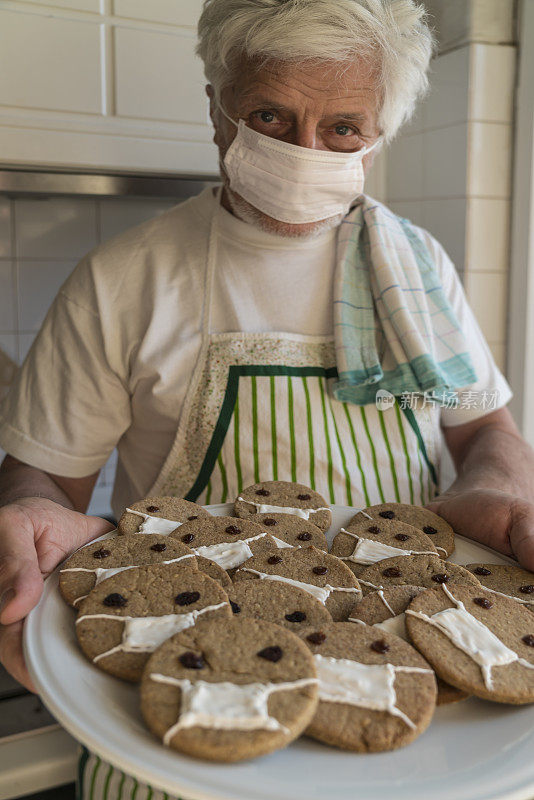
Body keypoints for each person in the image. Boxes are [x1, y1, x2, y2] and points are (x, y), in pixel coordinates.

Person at [1, 0, 534, 797]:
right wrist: (31, 525)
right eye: (269, 116)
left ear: (378, 133)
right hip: (187, 688)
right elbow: (43, 483)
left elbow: (485, 424)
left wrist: (496, 485)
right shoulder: (124, 279)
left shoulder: (415, 266)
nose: (303, 152)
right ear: (217, 105)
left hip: (406, 700)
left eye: (343, 128)